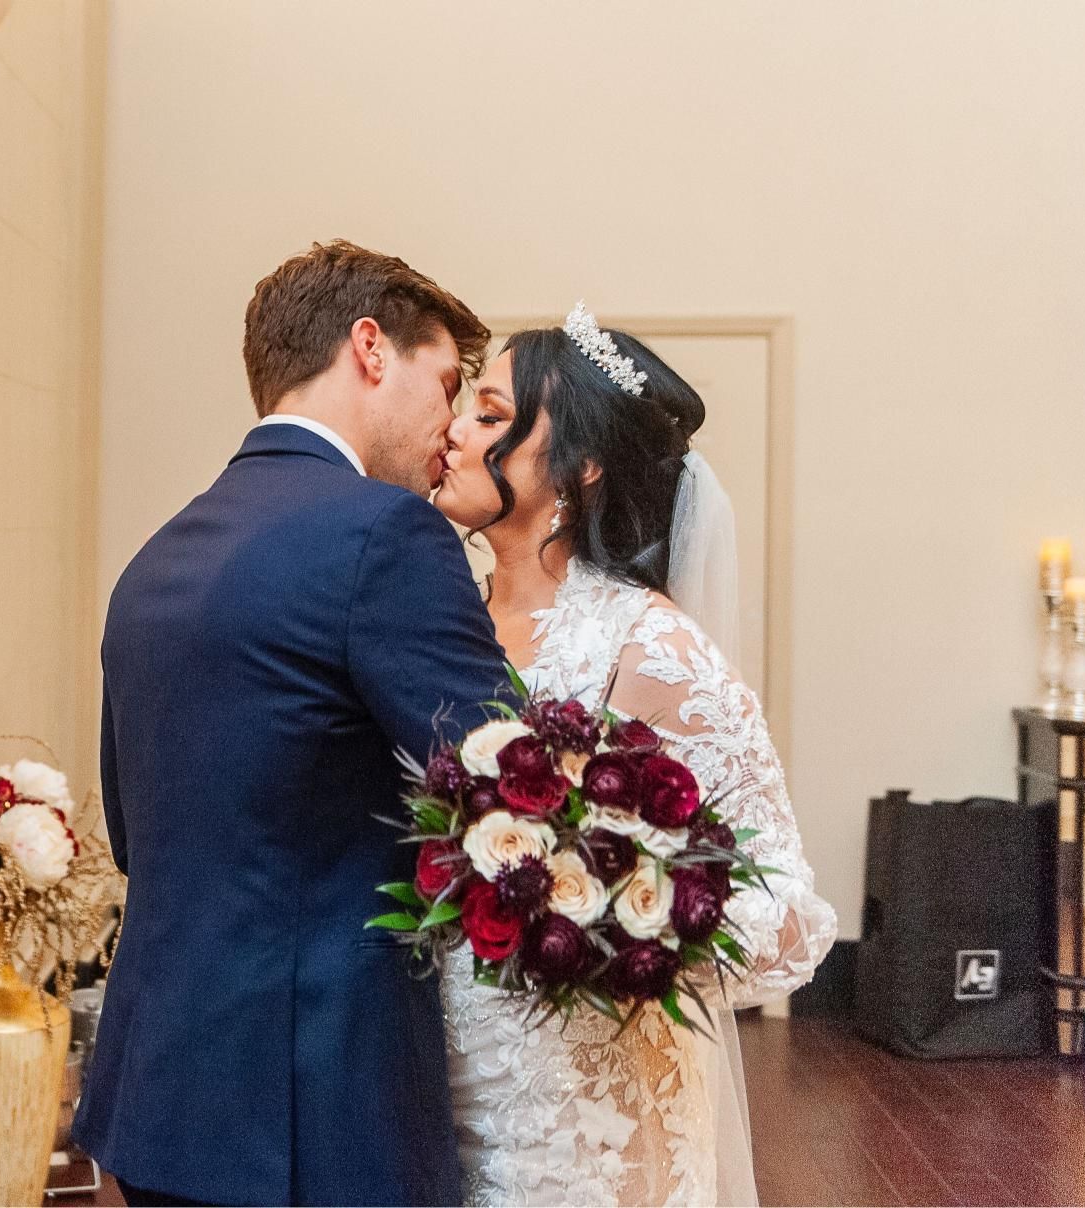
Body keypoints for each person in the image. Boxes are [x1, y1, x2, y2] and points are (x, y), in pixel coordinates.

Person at [71, 241, 514, 1206]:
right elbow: (511, 790)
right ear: (369, 348)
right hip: (310, 1106)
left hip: (158, 1092)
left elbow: (132, 830)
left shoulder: (156, 557)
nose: (450, 427)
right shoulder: (383, 533)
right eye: (445, 385)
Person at [430, 303, 837, 1206]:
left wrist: (618, 904)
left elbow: (786, 911)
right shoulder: (433, 616)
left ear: (578, 468)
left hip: (583, 1108)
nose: (454, 430)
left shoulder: (645, 645)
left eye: (491, 417)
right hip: (435, 1076)